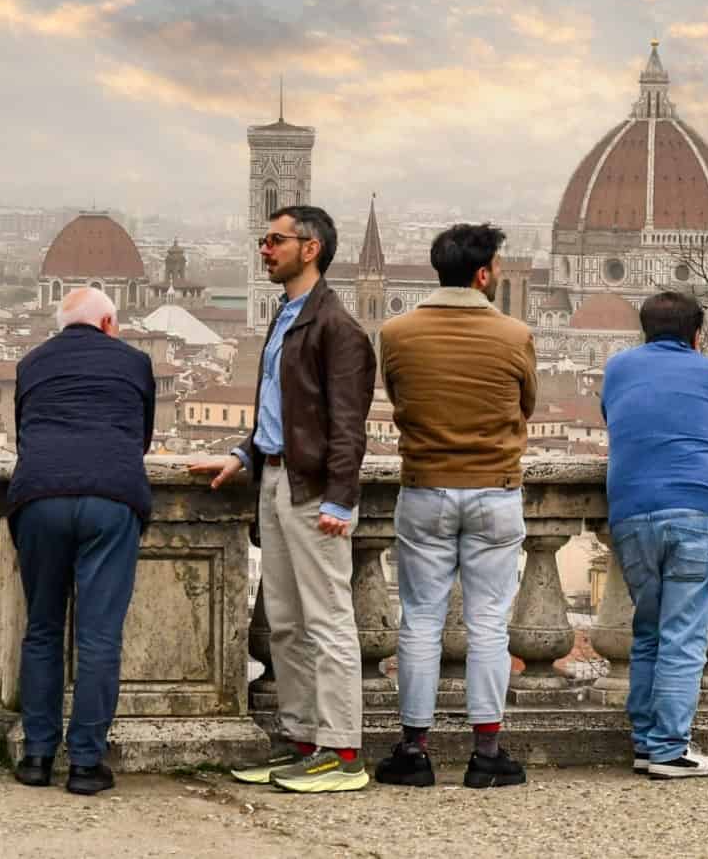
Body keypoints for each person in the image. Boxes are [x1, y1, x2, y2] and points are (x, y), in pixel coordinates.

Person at [193, 204, 376, 794]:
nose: (264, 250)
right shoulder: (287, 316)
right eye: (263, 240)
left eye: (275, 240)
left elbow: (349, 425)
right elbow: (281, 412)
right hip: (274, 479)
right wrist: (245, 455)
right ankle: (302, 742)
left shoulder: (338, 328)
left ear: (311, 247)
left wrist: (340, 500)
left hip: (313, 490)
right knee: (288, 626)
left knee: (327, 621)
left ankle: (342, 751)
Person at [371, 223, 537, 790]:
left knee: (420, 618)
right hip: (495, 489)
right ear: (485, 273)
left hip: (425, 487)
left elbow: (396, 395)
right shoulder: (515, 334)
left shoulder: (396, 332)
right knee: (488, 622)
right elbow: (528, 402)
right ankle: (486, 755)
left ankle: (413, 751)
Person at [6, 286, 154, 796]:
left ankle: (37, 756)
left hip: (40, 495)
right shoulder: (134, 363)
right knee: (98, 636)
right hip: (111, 498)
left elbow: (25, 432)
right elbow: (142, 438)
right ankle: (86, 764)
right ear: (109, 322)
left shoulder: (31, 363)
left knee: (43, 628)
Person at [601, 290, 708, 781]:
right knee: (683, 636)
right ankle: (668, 749)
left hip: (632, 511)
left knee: (650, 630)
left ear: (644, 330)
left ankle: (645, 741)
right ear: (696, 335)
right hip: (695, 508)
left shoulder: (618, 369)